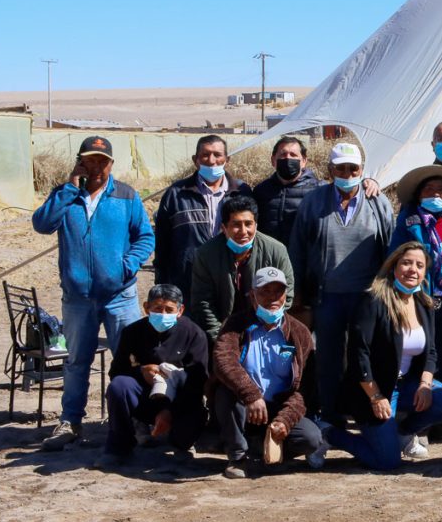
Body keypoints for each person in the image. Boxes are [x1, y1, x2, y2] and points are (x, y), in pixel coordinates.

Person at [33, 136, 155, 451]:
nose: (96, 166)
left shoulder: (126, 196)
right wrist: (69, 188)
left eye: (102, 160)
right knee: (76, 362)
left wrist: (126, 266)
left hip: (120, 297)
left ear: (111, 164)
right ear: (80, 162)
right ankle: (71, 421)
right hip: (77, 298)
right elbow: (42, 224)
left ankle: (139, 420)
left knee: (130, 360)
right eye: (90, 160)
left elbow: (145, 237)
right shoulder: (66, 196)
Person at [326, 242, 442, 470]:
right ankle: (330, 435)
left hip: (406, 385)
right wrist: (376, 397)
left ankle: (404, 433)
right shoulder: (373, 300)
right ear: (393, 266)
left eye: (419, 266)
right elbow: (359, 353)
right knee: (387, 462)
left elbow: (430, 351)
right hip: (372, 390)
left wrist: (425, 385)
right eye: (407, 263)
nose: (413, 269)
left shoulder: (424, 303)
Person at [288, 142, 396, 424]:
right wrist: (298, 292)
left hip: (368, 297)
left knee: (366, 356)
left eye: (354, 169)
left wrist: (390, 293)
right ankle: (330, 415)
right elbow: (298, 248)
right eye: (341, 168)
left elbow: (390, 248)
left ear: (362, 170)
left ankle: (363, 412)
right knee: (329, 359)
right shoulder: (314, 201)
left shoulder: (377, 201)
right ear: (329, 170)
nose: (347, 173)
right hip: (328, 295)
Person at [211, 267, 323, 479]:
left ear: (285, 295)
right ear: (253, 295)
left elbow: (304, 387)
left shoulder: (300, 332)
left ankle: (268, 451)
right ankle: (238, 456)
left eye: (278, 292)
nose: (272, 297)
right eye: (265, 291)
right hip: (245, 404)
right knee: (225, 395)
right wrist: (251, 395)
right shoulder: (235, 324)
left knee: (310, 438)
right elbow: (223, 361)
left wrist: (285, 419)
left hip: (278, 405)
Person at [96, 284, 208, 468]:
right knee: (119, 386)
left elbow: (197, 381)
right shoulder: (132, 332)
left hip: (180, 400)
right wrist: (141, 371)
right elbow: (116, 371)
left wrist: (169, 412)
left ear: (180, 311)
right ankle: (118, 447)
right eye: (157, 308)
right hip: (145, 398)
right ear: (146, 308)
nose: (163, 314)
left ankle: (181, 444)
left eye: (169, 309)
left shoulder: (194, 334)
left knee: (185, 431)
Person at [391, 164, 442, 397]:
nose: (436, 193)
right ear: (418, 194)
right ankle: (416, 410)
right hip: (419, 299)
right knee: (421, 354)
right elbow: (396, 256)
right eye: (429, 188)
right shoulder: (409, 218)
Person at [154, 135, 253, 303]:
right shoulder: (177, 194)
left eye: (217, 154)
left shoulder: (241, 192)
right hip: (187, 282)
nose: (211, 160)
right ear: (195, 160)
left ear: (226, 159)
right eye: (205, 155)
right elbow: (163, 243)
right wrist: (162, 283)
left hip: (231, 279)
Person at [190, 195, 294, 342]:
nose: (243, 231)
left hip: (265, 330)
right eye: (236, 224)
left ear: (256, 225)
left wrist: (262, 330)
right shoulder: (205, 255)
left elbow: (286, 294)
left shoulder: (276, 250)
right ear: (223, 228)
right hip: (221, 331)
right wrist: (222, 339)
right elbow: (203, 304)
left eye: (248, 224)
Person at [252, 136, 383, 246]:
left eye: (293, 155)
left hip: (306, 263)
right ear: (273, 160)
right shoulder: (261, 191)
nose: (288, 158)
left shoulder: (319, 190)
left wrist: (369, 182)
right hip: (271, 261)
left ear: (303, 161)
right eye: (283, 154)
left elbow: (347, 185)